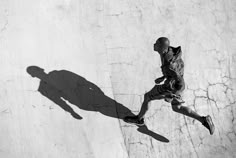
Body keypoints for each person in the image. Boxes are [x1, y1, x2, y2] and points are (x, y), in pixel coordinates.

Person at [124, 37, 215, 135]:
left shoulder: (169, 64)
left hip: (171, 88)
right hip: (174, 84)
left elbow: (181, 82)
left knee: (147, 97)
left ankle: (139, 120)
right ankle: (204, 120)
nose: (154, 45)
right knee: (177, 108)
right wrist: (164, 76)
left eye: (157, 44)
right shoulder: (169, 51)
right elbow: (174, 71)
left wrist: (174, 94)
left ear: (163, 48)